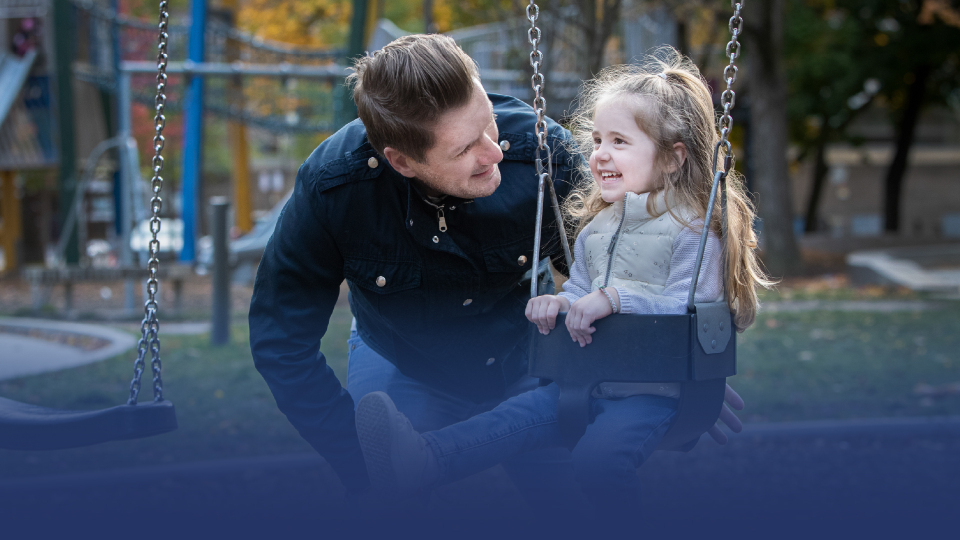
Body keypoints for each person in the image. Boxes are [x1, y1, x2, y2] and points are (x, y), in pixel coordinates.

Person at [249, 34, 744, 513]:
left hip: (526, 355)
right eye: (465, 149)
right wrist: (356, 462)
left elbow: (620, 271)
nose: (494, 151)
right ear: (402, 161)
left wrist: (673, 363)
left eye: (488, 124)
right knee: (391, 502)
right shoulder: (336, 189)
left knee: (576, 508)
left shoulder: (542, 152)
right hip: (404, 357)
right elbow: (281, 340)